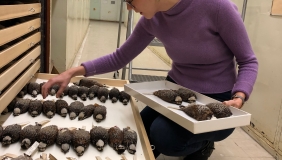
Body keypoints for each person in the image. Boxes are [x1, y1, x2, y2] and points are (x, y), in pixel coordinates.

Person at [42, 0, 258, 159]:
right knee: (140, 129)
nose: (127, 7)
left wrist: (239, 96)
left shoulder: (217, 7)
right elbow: (120, 57)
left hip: (214, 98)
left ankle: (203, 145)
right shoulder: (151, 18)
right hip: (176, 89)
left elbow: (248, 61)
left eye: (129, 1)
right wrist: (73, 72)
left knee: (163, 136)